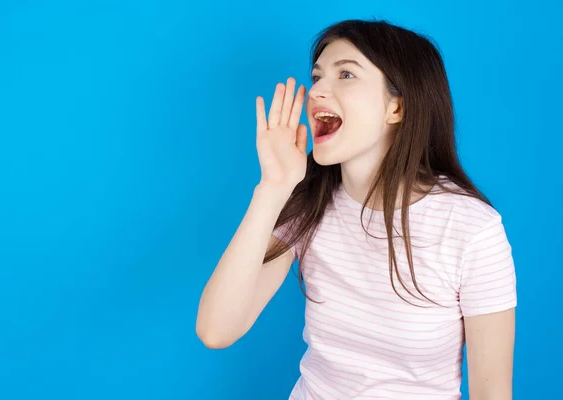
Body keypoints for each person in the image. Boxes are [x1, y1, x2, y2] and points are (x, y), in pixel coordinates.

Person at [196, 19, 517, 400]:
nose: (316, 91)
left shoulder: (471, 228)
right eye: (316, 77)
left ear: (397, 108)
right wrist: (273, 188)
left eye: (346, 74)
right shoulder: (310, 206)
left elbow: (492, 391)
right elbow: (216, 330)